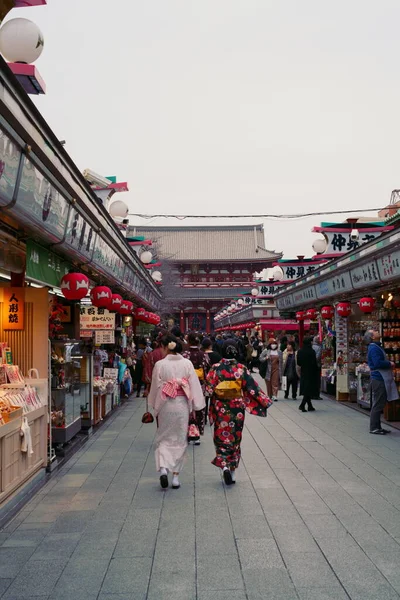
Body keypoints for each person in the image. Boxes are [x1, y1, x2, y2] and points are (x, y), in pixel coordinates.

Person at [206, 339, 272, 485]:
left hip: (220, 407)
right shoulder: (241, 368)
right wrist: (264, 400)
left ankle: (224, 466)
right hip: (236, 408)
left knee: (221, 436)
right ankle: (233, 469)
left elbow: (208, 390)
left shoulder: (215, 368)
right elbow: (252, 388)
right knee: (235, 438)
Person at [148, 334, 205, 489]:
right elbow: (193, 385)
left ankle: (163, 470)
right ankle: (175, 478)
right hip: (181, 405)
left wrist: (153, 403)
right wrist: (196, 405)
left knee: (164, 437)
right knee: (180, 439)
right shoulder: (187, 364)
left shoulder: (160, 364)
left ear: (166, 347)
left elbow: (155, 386)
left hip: (165, 403)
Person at [365, 329, 398, 434]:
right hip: (379, 378)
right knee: (378, 403)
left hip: (380, 377)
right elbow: (377, 363)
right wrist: (389, 363)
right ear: (372, 337)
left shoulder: (376, 346)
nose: (377, 331)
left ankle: (377, 426)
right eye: (374, 331)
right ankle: (374, 427)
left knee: (380, 402)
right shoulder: (374, 348)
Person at [183, 333, 209, 442]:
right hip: (200, 384)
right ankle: (197, 432)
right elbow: (207, 369)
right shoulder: (204, 355)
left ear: (188, 341)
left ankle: (187, 431)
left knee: (187, 408)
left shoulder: (184, 355)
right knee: (199, 407)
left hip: (186, 384)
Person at [201, 337, 221, 423]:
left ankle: (203, 417)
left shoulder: (200, 355)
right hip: (214, 380)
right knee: (214, 399)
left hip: (203, 380)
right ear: (210, 346)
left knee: (203, 400)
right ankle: (213, 416)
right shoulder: (217, 355)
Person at [296, 337, 318, 412]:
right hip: (311, 371)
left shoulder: (300, 351)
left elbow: (298, 363)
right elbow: (315, 362)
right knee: (308, 388)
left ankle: (310, 405)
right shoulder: (312, 352)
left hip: (303, 371)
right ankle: (302, 405)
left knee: (306, 387)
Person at [312, 335, 323, 399]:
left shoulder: (311, 347)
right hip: (317, 366)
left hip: (311, 366)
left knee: (312, 380)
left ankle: (312, 394)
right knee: (317, 381)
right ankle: (316, 395)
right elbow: (318, 357)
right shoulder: (319, 347)